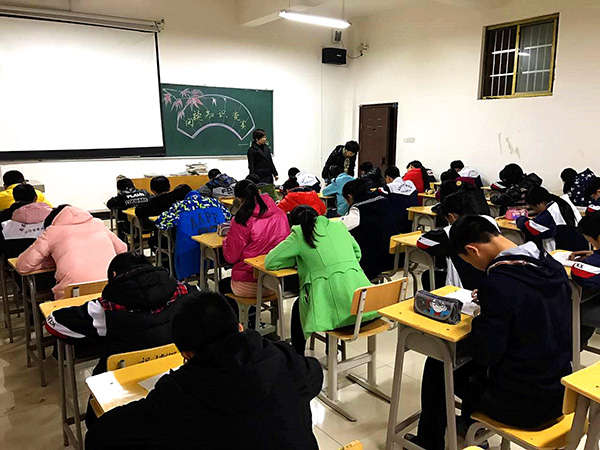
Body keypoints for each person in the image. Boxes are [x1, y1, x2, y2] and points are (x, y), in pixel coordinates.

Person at [407, 215, 571, 450]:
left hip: (524, 406)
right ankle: (468, 426)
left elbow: (486, 353)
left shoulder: (498, 282)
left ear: (472, 250)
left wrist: (480, 318)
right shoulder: (550, 264)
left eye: (468, 262)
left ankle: (429, 442)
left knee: (439, 362)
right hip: (559, 393)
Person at [85, 290, 323, 450]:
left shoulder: (179, 394)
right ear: (239, 327)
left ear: (185, 354)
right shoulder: (281, 358)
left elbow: (101, 435)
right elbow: (315, 376)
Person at [265, 206, 375, 354]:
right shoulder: (339, 227)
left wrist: (298, 261)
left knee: (300, 306)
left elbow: (270, 262)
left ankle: (297, 355)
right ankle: (331, 351)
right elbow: (357, 253)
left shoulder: (299, 234)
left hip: (343, 317)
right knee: (331, 296)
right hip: (366, 307)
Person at [16, 205, 127, 299]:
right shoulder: (98, 224)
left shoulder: (53, 231)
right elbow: (122, 249)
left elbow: (23, 266)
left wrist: (48, 263)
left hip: (72, 295)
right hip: (111, 288)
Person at [417, 191, 500, 290]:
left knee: (427, 276)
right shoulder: (490, 220)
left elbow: (422, 243)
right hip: (494, 282)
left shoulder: (450, 232)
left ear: (451, 217)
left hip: (464, 290)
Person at [221, 180, 290, 297]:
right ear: (258, 192)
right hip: (277, 281)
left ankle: (247, 310)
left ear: (238, 199)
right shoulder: (280, 214)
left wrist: (225, 242)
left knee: (221, 286)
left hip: (250, 282)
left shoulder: (242, 219)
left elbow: (231, 257)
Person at [155, 189, 232, 279]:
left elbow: (161, 223)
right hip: (216, 249)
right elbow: (228, 217)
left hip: (189, 250)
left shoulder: (181, 205)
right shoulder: (215, 202)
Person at [341, 178, 399, 280]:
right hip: (394, 257)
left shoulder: (357, 209)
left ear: (349, 196)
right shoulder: (383, 200)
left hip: (371, 263)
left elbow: (342, 227)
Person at [516, 186, 588, 252]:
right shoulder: (562, 201)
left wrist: (520, 218)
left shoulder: (549, 213)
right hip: (582, 245)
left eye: (534, 208)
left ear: (540, 203)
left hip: (563, 251)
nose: (536, 211)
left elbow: (528, 226)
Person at [568, 213, 600, 346]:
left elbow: (578, 272)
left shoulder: (592, 265)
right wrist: (593, 253)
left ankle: (573, 349)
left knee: (570, 309)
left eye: (591, 242)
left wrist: (586, 260)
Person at [0, 184, 52, 258]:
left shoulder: (3, 217)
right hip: (46, 258)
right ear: (35, 198)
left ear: (14, 199)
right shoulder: (52, 214)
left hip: (13, 258)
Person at [383, 166, 418, 233]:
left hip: (398, 223)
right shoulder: (410, 183)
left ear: (388, 177)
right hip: (413, 220)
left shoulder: (390, 187)